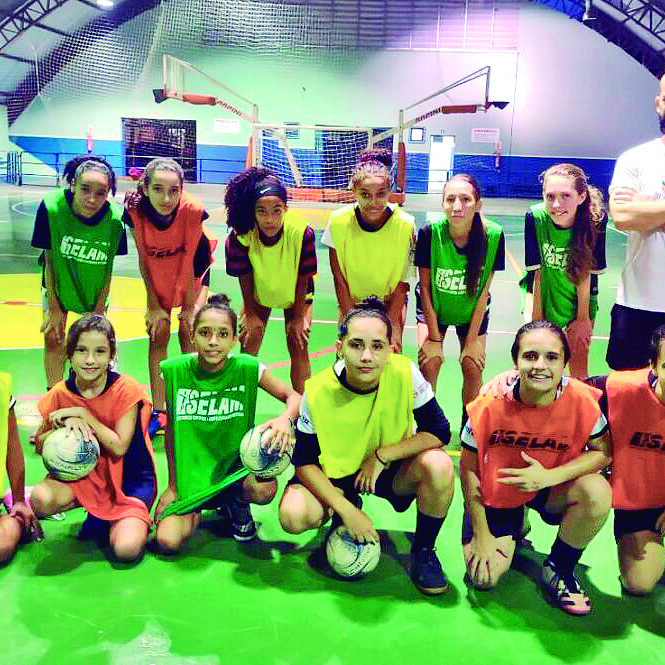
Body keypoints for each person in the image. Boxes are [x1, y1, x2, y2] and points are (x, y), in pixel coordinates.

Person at [279, 297, 454, 595]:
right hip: (335, 475)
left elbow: (439, 431)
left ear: (391, 348)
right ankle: (341, 512)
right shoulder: (318, 391)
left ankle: (424, 551)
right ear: (339, 347)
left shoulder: (404, 373)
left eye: (377, 346)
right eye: (356, 344)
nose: (366, 357)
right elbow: (304, 461)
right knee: (293, 515)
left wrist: (382, 455)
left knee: (440, 465)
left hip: (386, 471)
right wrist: (347, 510)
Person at [460, 320, 611, 615]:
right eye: (530, 356)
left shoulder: (581, 400)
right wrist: (482, 533)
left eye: (551, 357)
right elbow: (467, 469)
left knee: (597, 490)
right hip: (501, 489)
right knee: (484, 577)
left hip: (551, 486)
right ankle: (516, 522)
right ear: (516, 361)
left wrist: (548, 477)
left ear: (566, 364)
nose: (540, 366)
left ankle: (560, 567)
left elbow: (603, 452)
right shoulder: (489, 402)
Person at [154, 294, 300, 552]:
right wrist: (173, 487)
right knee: (166, 541)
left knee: (264, 489)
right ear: (192, 335)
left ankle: (237, 504)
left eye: (223, 334)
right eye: (205, 333)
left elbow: (294, 398)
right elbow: (172, 432)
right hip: (192, 477)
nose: (213, 342)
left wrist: (285, 420)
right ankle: (196, 507)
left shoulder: (248, 367)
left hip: (235, 474)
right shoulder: (175, 371)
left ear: (234, 339)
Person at [30, 315, 156, 563]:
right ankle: (96, 513)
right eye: (81, 350)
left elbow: (119, 446)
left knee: (126, 550)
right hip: (86, 478)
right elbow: (41, 444)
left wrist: (84, 415)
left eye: (100, 351)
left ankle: (109, 517)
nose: (90, 360)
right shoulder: (60, 393)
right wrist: (62, 426)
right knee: (40, 500)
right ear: (70, 354)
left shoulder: (126, 390)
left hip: (127, 481)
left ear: (111, 356)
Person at [124, 158, 217, 437]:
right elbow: (143, 258)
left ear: (182, 189)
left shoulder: (192, 211)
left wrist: (189, 308)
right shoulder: (135, 212)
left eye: (174, 190)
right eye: (158, 189)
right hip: (159, 270)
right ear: (145, 188)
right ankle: (160, 411)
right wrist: (153, 305)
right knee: (159, 332)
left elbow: (189, 258)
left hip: (193, 271)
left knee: (189, 333)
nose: (166, 198)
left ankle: (191, 405)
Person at [415, 174, 504, 428]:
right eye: (450, 199)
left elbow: (484, 291)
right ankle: (427, 427)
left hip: (471, 311)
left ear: (478, 204)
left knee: (472, 364)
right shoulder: (430, 233)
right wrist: (433, 339)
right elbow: (425, 288)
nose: (457, 206)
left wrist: (473, 341)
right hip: (435, 308)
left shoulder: (494, 235)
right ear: (442, 203)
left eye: (465, 199)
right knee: (430, 363)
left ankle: (470, 428)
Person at [31, 156, 127, 389]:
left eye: (101, 192)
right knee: (53, 338)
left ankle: (95, 394)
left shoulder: (115, 220)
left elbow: (108, 270)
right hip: (58, 285)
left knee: (95, 342)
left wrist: (98, 311)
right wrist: (54, 307)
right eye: (85, 189)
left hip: (94, 289)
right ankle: (55, 397)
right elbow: (49, 261)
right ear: (73, 184)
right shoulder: (51, 207)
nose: (92, 199)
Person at [224, 168, 316, 393]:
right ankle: (240, 405)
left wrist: (297, 319)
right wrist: (251, 313)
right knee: (249, 340)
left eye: (276, 211)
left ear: (286, 208)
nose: (269, 219)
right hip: (259, 292)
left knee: (298, 342)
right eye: (262, 212)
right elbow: (244, 276)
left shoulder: (302, 233)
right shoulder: (241, 234)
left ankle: (303, 413)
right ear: (253, 212)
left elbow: (303, 278)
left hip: (296, 292)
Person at [322, 149, 415, 352]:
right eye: (365, 195)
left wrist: (392, 326)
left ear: (389, 193)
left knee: (390, 355)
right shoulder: (338, 222)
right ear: (353, 192)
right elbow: (339, 277)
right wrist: (349, 320)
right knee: (348, 358)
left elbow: (403, 283)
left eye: (380, 194)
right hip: (352, 303)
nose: (373, 203)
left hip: (391, 304)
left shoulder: (405, 225)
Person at [524, 163, 605, 378]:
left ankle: (580, 411)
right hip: (544, 295)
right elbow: (537, 274)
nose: (556, 204)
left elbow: (586, 273)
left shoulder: (595, 220)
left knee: (578, 368)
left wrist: (582, 318)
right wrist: (537, 323)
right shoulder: (535, 218)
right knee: (538, 366)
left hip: (582, 300)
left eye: (566, 196)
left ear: (581, 196)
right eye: (549, 196)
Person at [607, 72, 665, 370]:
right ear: (658, 103)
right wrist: (637, 212)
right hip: (636, 305)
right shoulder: (634, 159)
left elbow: (636, 214)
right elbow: (622, 216)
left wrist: (648, 208)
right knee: (626, 401)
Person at [0, 372, 42, 562]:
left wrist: (19, 501)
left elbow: (12, 445)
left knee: (2, 547)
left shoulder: (1, 386)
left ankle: (16, 518)